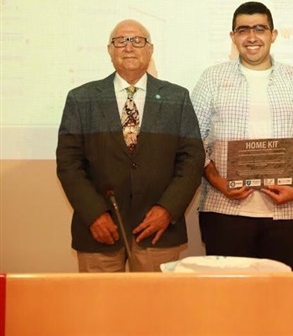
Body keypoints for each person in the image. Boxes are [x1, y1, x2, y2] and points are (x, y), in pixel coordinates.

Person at [56, 19, 205, 272]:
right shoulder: (81, 99)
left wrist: (167, 210)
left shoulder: (176, 98)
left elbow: (192, 160)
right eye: (120, 41)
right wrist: (94, 214)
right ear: (109, 50)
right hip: (100, 231)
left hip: (157, 231)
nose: (128, 47)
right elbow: (68, 164)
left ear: (150, 49)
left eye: (137, 40)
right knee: (100, 299)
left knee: (155, 298)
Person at [191, 1, 293, 271]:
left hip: (287, 212)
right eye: (243, 30)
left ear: (273, 34)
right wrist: (219, 182)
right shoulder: (211, 79)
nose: (252, 37)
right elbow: (193, 140)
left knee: (278, 293)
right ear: (233, 37)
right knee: (229, 292)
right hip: (224, 209)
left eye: (260, 29)